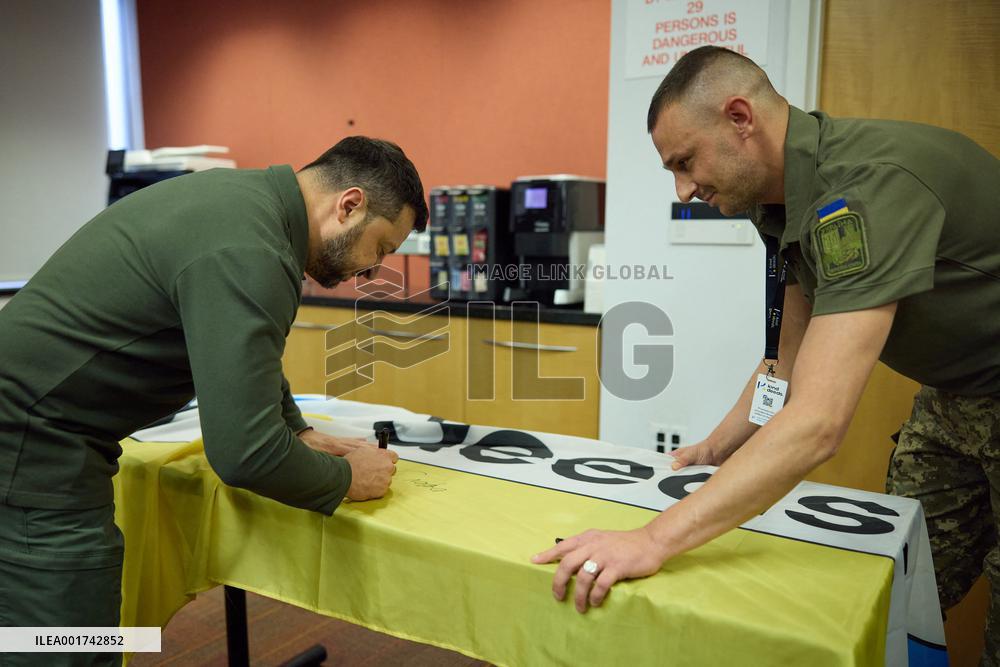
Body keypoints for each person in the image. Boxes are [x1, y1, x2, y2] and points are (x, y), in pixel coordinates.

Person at [532, 45, 1000, 660]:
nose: (684, 188)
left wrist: (653, 539)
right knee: (904, 584)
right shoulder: (773, 202)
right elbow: (785, 359)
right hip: (955, 393)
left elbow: (817, 424)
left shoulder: (861, 188)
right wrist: (714, 448)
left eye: (685, 161)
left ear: (739, 117)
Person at [0, 136, 426, 665]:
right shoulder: (252, 249)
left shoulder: (248, 208)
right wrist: (347, 480)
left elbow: (240, 351)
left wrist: (295, 428)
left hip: (38, 429)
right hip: (30, 447)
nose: (370, 270)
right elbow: (244, 453)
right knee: (66, 642)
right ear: (350, 205)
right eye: (381, 248)